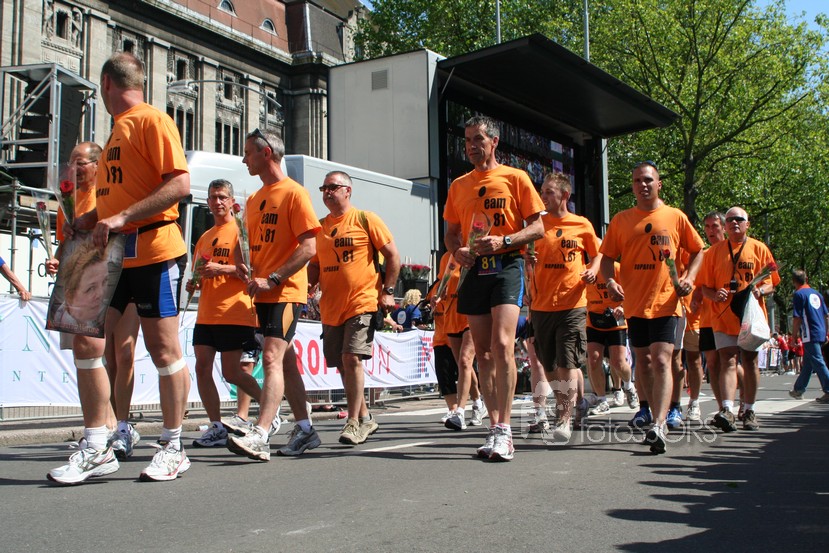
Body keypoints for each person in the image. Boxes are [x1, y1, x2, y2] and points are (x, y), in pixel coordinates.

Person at [66, 52, 193, 482]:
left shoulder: (152, 120)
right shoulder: (116, 131)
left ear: (106, 83)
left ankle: (173, 445)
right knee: (87, 342)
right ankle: (97, 444)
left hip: (154, 250)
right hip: (112, 255)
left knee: (163, 349)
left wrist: (122, 217)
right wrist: (91, 218)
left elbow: (180, 184)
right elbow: (118, 198)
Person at [444, 115, 545, 461]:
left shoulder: (516, 178)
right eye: (467, 140)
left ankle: (505, 430)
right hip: (474, 271)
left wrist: (505, 240)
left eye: (478, 139)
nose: (472, 146)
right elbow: (451, 234)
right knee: (483, 354)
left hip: (508, 265)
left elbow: (538, 228)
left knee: (503, 345)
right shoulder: (459, 185)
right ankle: (494, 425)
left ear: (494, 142)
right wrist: (457, 251)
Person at [45, 140, 142, 485]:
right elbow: (69, 241)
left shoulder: (109, 192)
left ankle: (117, 428)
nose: (73, 169)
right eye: (70, 163)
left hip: (115, 273)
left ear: (98, 165)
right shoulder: (67, 200)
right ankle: (103, 431)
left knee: (120, 352)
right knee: (90, 353)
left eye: (80, 163)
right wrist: (58, 256)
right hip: (81, 276)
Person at [227, 127, 321, 461]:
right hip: (261, 295)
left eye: (248, 152)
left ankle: (261, 432)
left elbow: (309, 247)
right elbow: (246, 244)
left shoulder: (294, 193)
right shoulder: (253, 199)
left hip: (286, 292)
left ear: (266, 153)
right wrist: (242, 265)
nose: (244, 160)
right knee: (286, 362)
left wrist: (274, 278)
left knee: (270, 358)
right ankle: (305, 429)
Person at [600, 160, 704, 454]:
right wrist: (610, 282)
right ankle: (647, 408)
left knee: (661, 360)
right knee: (644, 362)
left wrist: (689, 278)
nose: (642, 185)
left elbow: (698, 250)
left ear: (659, 184)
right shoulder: (621, 220)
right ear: (632, 186)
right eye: (637, 181)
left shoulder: (675, 216)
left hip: (667, 302)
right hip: (634, 304)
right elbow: (606, 258)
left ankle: (659, 424)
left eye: (648, 180)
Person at [307, 170, 400, 445]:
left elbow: (393, 255)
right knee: (341, 364)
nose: (327, 192)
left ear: (348, 190)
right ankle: (366, 417)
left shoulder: (365, 219)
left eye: (333, 187)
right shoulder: (320, 227)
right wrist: (307, 285)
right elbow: (314, 264)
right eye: (323, 188)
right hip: (330, 307)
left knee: (351, 358)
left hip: (362, 301)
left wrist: (388, 292)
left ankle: (353, 422)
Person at [188, 179, 270, 448]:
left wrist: (221, 269)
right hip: (206, 314)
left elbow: (251, 271)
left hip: (234, 311)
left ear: (232, 201)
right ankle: (216, 426)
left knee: (232, 373)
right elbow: (200, 273)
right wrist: (194, 283)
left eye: (222, 197)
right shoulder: (204, 237)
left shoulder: (241, 232)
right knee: (202, 368)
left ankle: (270, 409)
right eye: (213, 197)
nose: (217, 202)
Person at [528, 172, 601, 444]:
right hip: (541, 306)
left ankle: (564, 417)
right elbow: (527, 260)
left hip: (573, 304)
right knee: (548, 365)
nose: (543, 197)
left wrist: (592, 270)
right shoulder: (536, 225)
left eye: (549, 192)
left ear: (565, 195)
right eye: (542, 192)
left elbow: (598, 254)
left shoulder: (581, 224)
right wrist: (529, 284)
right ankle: (570, 405)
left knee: (567, 361)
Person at [699, 206, 779, 432]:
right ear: (725, 226)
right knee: (728, 360)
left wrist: (760, 291)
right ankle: (727, 409)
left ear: (747, 224)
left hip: (750, 316)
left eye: (739, 219)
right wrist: (715, 294)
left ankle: (750, 410)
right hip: (723, 316)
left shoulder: (760, 248)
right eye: (730, 220)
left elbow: (772, 282)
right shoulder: (713, 252)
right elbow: (704, 287)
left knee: (750, 361)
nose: (734, 223)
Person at [585, 260, 638, 417]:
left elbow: (632, 289)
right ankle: (602, 400)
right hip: (594, 320)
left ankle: (629, 386)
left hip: (616, 319)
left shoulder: (616, 268)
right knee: (593, 360)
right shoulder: (585, 270)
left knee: (618, 362)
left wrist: (623, 307)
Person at [788, 269, 829, 402]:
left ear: (794, 281)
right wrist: (826, 332)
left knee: (817, 361)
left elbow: (797, 318)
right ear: (806, 279)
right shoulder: (817, 294)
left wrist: (794, 336)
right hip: (820, 331)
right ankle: (798, 389)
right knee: (808, 363)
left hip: (809, 332)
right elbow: (826, 315)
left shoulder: (799, 294)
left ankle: (828, 389)